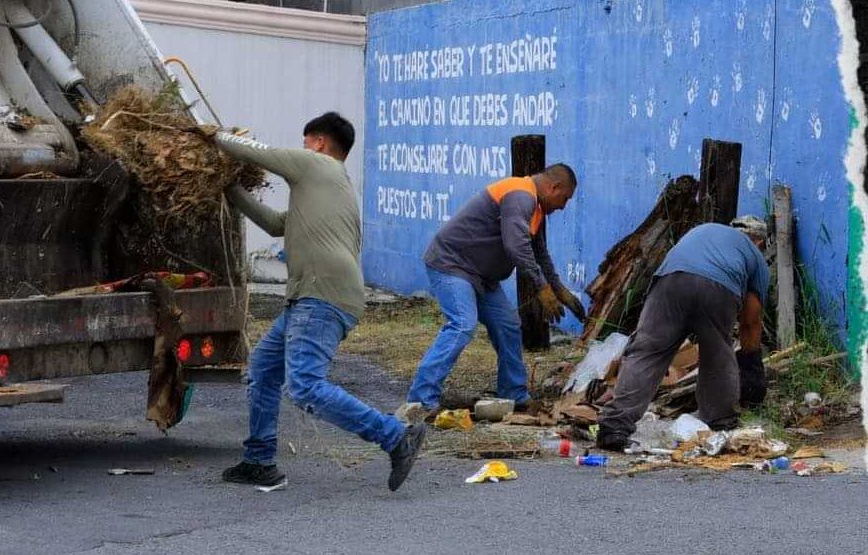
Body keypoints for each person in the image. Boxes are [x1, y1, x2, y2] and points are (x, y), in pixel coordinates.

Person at [203, 112, 427, 491]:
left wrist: (213, 137)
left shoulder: (316, 165)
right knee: (262, 370)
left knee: (305, 385)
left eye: (306, 140)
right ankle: (259, 459)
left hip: (321, 295)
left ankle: (394, 436)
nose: (302, 147)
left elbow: (262, 153)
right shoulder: (330, 187)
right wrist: (228, 187)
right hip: (310, 296)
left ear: (319, 142)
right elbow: (276, 224)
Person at [405, 165, 584, 414]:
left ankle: (513, 394)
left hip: (482, 276)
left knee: (508, 326)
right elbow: (516, 246)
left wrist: (558, 288)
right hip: (453, 264)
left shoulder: (536, 207)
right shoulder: (521, 195)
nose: (563, 206)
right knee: (462, 325)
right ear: (554, 187)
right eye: (564, 198)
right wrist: (541, 287)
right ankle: (421, 399)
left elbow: (539, 251)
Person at [595, 217, 770, 452]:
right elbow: (751, 319)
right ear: (759, 242)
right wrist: (752, 364)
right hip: (717, 288)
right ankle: (719, 425)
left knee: (647, 351)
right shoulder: (756, 256)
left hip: (670, 280)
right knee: (717, 353)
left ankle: (614, 428)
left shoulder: (704, 229)